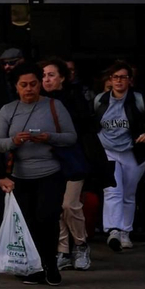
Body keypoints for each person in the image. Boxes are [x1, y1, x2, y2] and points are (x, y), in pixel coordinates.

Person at [0, 63, 76, 286]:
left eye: (33, 84)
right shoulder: (8, 110)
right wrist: (14, 141)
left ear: (40, 84)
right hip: (20, 175)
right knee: (28, 223)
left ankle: (50, 265)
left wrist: (49, 137)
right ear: (16, 87)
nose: (29, 89)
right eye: (24, 85)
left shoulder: (54, 106)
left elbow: (71, 137)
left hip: (51, 172)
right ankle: (35, 268)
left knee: (47, 218)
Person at [92, 59, 145, 252]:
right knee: (112, 190)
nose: (119, 81)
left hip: (132, 152)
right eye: (115, 77)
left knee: (128, 193)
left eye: (123, 77)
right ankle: (113, 231)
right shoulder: (100, 100)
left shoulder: (138, 99)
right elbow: (91, 123)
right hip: (108, 151)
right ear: (110, 79)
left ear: (130, 80)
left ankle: (125, 231)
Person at [41, 57, 93, 271]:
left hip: (72, 159)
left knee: (69, 205)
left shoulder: (73, 99)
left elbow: (83, 128)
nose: (46, 79)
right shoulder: (39, 101)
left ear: (62, 77)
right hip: (49, 160)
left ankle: (81, 245)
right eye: (43, 75)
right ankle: (63, 250)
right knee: (57, 208)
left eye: (51, 75)